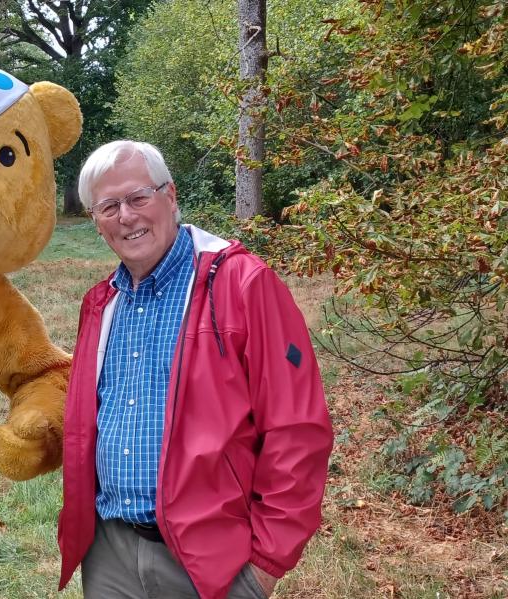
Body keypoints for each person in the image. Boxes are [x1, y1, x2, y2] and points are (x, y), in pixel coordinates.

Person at [57, 140, 333, 599]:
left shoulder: (241, 284)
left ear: (171, 195)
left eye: (138, 197)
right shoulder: (101, 303)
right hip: (109, 552)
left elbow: (297, 429)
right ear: (95, 222)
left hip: (208, 561)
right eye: (108, 206)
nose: (126, 216)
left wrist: (265, 566)